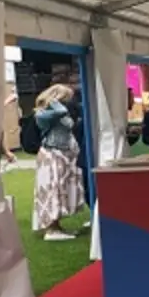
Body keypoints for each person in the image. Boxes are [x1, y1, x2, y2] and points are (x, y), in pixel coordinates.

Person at [31, 83, 87, 241]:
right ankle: (51, 229)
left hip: (63, 155)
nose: (68, 102)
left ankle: (57, 226)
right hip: (51, 155)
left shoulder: (58, 113)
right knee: (53, 190)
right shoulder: (43, 114)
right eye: (66, 98)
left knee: (61, 190)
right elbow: (60, 111)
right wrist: (54, 101)